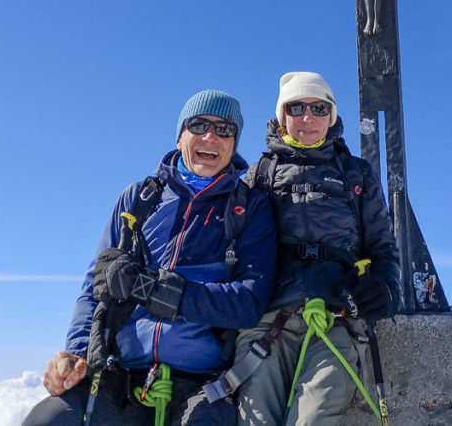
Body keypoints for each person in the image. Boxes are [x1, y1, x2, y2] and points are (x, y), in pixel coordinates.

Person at [22, 90, 276, 426]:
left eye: (224, 130)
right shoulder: (140, 199)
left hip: (203, 382)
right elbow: (94, 287)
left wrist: (154, 289)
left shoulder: (249, 208)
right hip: (120, 373)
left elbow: (248, 301)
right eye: (199, 125)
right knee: (50, 420)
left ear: (234, 142)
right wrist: (78, 353)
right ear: (180, 134)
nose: (210, 136)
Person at [231, 72, 402, 425]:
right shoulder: (258, 176)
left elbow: (383, 247)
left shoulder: (356, 175)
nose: (307, 117)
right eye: (296, 107)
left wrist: (385, 290)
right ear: (282, 117)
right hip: (269, 321)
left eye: (318, 107)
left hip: (338, 317)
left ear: (331, 116)